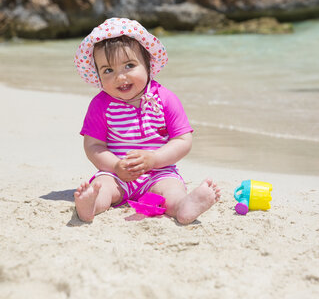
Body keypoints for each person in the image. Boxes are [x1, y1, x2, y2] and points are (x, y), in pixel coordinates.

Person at [73, 17, 220, 223]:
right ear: (97, 75)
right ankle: (91, 205)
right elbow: (94, 146)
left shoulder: (165, 99)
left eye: (129, 65)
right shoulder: (101, 105)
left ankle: (184, 206)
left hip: (159, 172)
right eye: (108, 70)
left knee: (171, 191)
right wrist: (115, 166)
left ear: (148, 65)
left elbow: (182, 141)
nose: (120, 77)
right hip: (117, 174)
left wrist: (154, 160)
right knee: (103, 187)